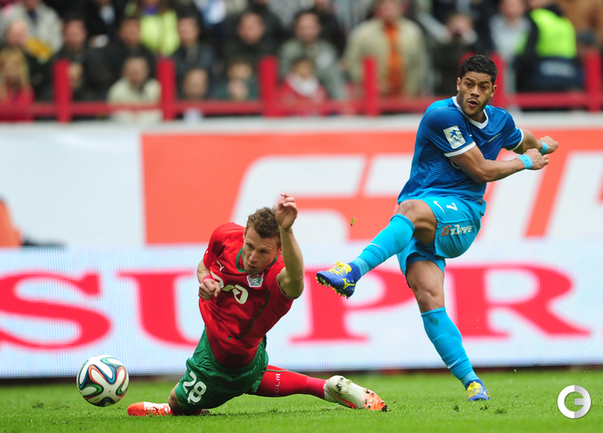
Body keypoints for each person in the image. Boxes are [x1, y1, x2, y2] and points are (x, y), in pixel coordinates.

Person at [316, 54, 558, 401]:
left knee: (410, 209)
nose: (474, 92)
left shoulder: (500, 121)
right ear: (458, 83)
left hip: (462, 215)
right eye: (469, 84)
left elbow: (522, 138)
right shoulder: (442, 115)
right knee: (428, 298)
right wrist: (525, 161)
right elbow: (481, 169)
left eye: (483, 87)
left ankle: (352, 271)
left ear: (493, 91)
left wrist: (542, 146)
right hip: (420, 221)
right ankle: (473, 383)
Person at [127, 194, 387, 416]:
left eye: (263, 252)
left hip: (227, 357)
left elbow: (296, 279)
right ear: (243, 234)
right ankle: (324, 388)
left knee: (177, 401)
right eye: (249, 246)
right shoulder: (224, 236)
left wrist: (287, 231)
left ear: (278, 251)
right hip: (223, 342)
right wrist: (205, 280)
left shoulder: (276, 277)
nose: (252, 257)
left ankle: (180, 407)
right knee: (251, 377)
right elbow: (203, 267)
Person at [344, 0, 430, 97]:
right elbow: (352, 62)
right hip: (372, 94)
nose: (388, 9)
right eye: (384, 6)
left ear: (400, 8)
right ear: (377, 8)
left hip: (407, 94)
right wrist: (371, 83)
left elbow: (421, 63)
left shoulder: (412, 31)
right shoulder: (362, 33)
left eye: (392, 5)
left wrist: (415, 87)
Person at [278, 10, 347, 101]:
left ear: (319, 28)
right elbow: (283, 76)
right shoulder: (288, 50)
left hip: (326, 100)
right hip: (296, 99)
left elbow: (335, 78)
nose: (307, 32)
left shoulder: (328, 49)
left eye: (310, 27)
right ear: (296, 29)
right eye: (303, 28)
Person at [106, 54, 161, 123]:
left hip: (152, 128)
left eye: (138, 72)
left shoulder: (155, 88)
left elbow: (160, 114)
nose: (135, 76)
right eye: (132, 72)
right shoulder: (117, 91)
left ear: (146, 72)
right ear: (124, 72)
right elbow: (117, 117)